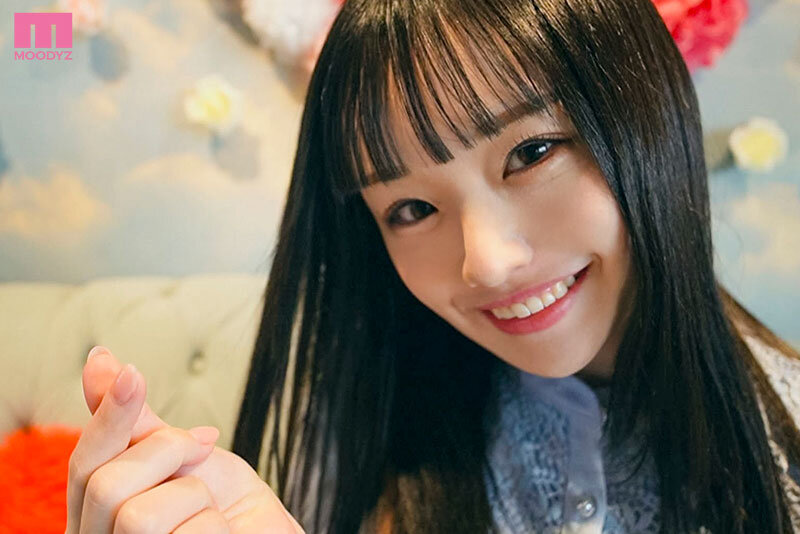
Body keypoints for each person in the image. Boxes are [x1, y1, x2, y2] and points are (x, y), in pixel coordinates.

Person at [66, 0, 800, 532]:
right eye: (411, 209)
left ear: (649, 117)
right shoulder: (370, 434)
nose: (488, 262)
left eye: (530, 153)